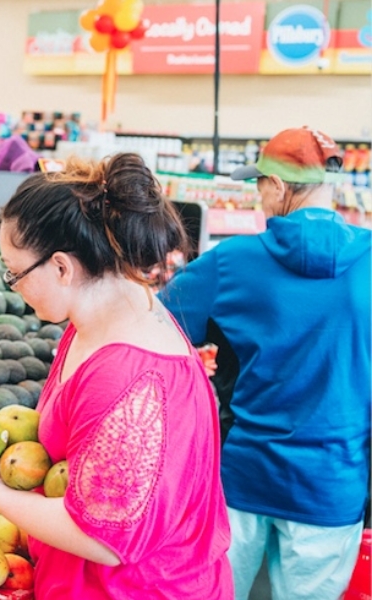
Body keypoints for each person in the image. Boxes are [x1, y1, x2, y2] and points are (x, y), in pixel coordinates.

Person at [0, 153, 233, 598]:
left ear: (62, 267)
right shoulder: (102, 317)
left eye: (15, 272)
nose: (13, 284)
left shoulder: (126, 372)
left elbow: (102, 538)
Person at [160, 127, 370, 600]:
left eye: (258, 184)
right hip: (332, 483)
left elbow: (154, 324)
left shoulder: (232, 262)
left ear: (275, 186)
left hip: (243, 478)